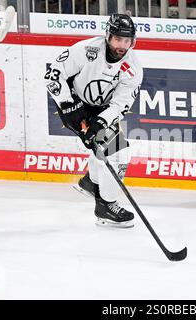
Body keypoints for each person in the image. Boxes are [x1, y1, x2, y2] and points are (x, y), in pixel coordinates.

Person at [45, 13, 143, 228]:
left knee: (110, 148)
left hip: (101, 111)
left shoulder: (133, 68)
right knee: (119, 152)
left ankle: (91, 182)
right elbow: (53, 73)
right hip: (74, 104)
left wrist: (100, 122)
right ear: (108, 36)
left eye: (127, 40)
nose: (122, 45)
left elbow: (121, 104)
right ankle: (106, 205)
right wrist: (67, 105)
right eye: (118, 39)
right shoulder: (86, 50)